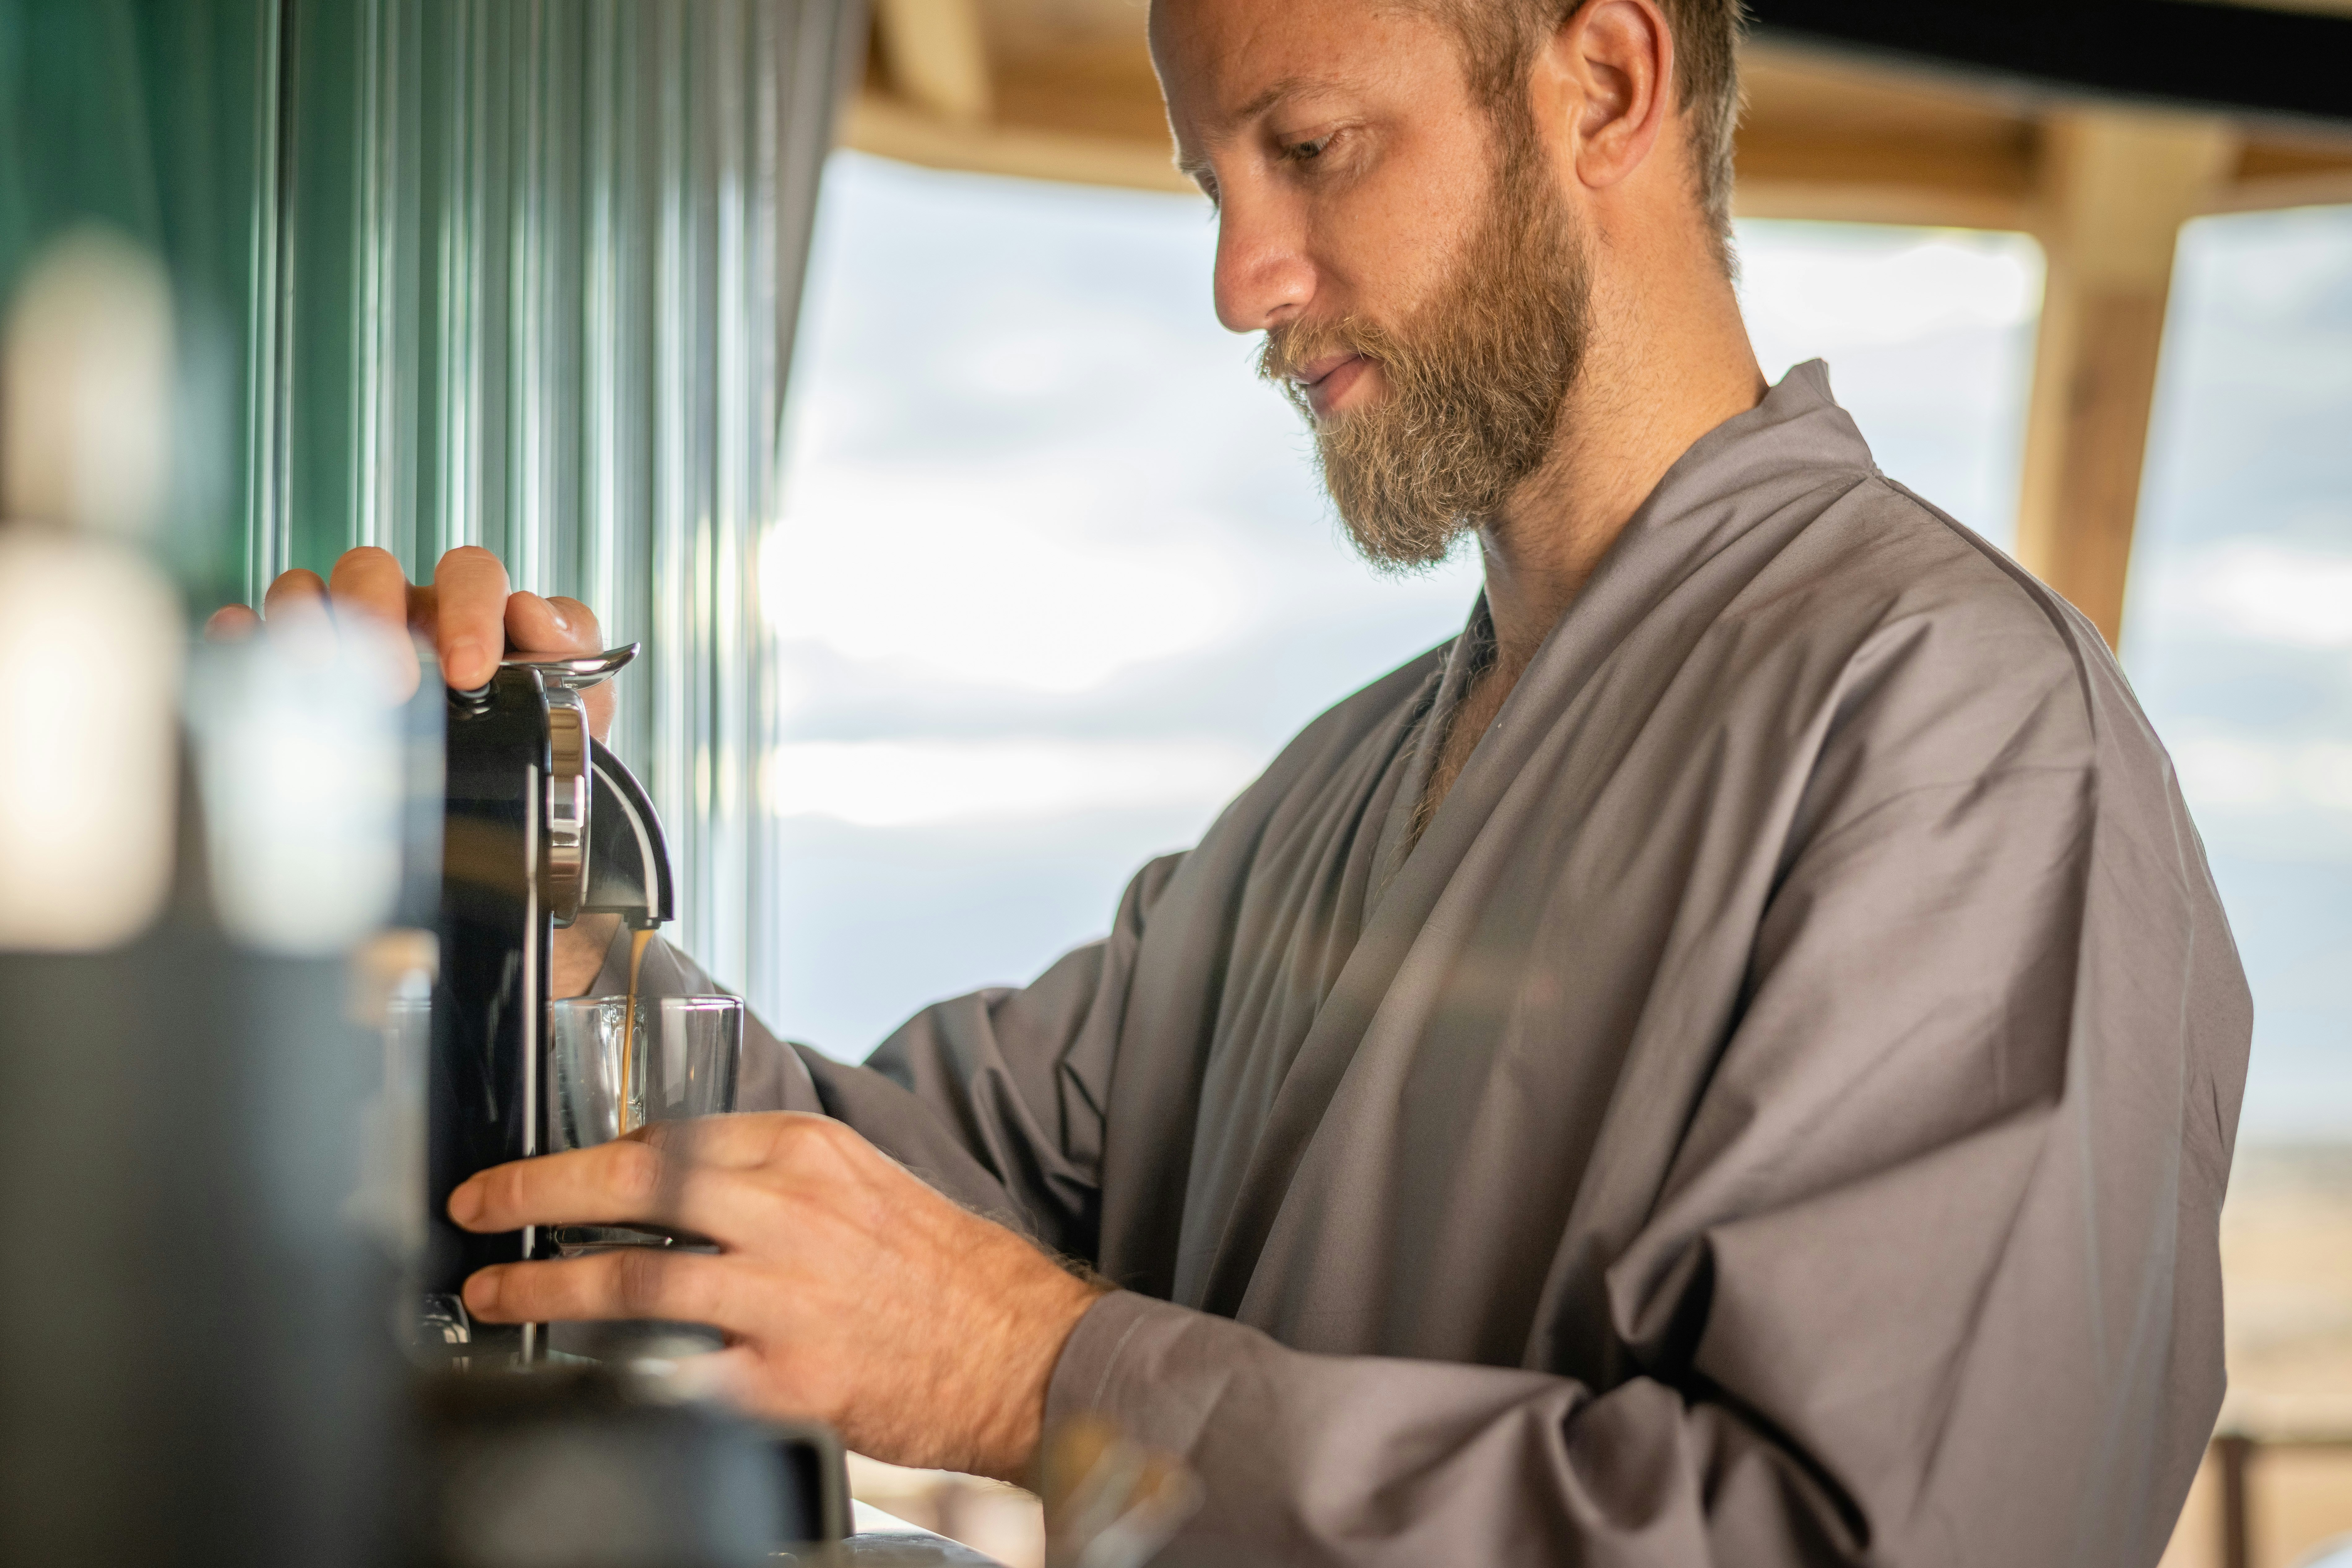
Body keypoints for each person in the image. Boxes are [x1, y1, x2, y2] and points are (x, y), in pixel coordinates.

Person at [217, 0, 2251, 1561]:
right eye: (1218, 183)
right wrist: (493, 889)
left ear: (1607, 86)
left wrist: (1053, 1378)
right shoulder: (1339, 800)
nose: (1242, 282)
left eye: (1314, 147)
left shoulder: (1967, 742)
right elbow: (882, 1196)